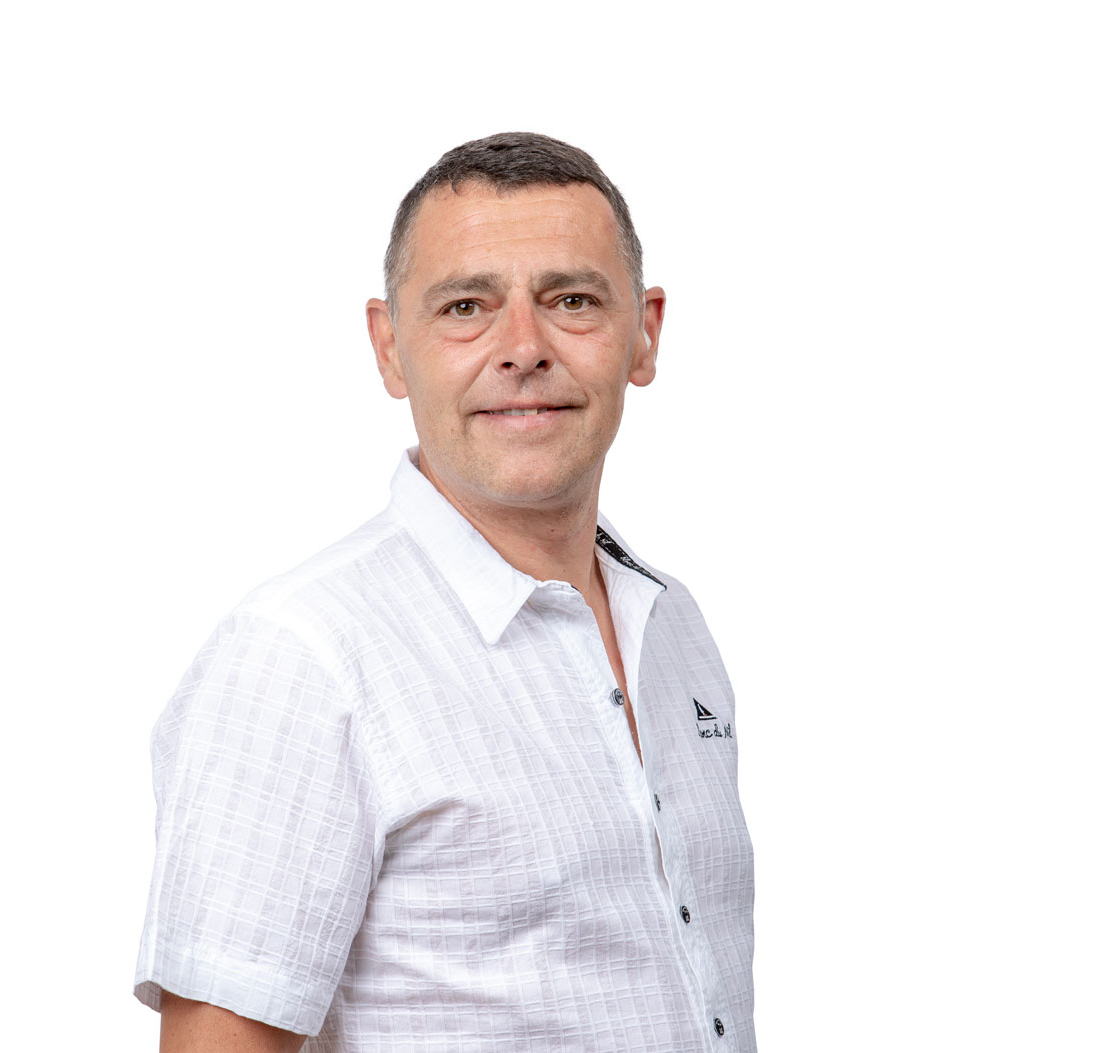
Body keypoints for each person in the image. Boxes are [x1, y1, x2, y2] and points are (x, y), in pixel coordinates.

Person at [135, 132, 756, 1051]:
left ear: (645, 331)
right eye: (467, 306)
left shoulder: (674, 622)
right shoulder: (301, 658)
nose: (523, 349)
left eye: (572, 300)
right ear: (390, 348)